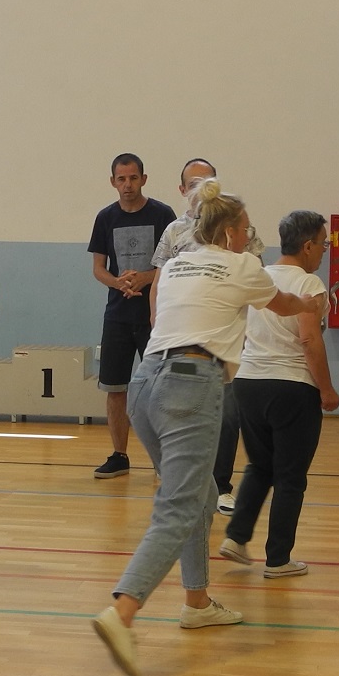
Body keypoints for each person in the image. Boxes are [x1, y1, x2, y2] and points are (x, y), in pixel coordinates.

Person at [89, 182, 327, 676]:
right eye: (246, 228)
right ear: (233, 232)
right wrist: (313, 306)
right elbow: (284, 304)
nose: (249, 236)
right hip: (191, 384)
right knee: (179, 507)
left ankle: (196, 602)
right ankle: (122, 612)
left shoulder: (177, 264)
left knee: (199, 497)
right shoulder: (242, 265)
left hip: (144, 384)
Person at [218, 210, 339, 578]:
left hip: (248, 384)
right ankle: (278, 559)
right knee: (290, 476)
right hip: (291, 388)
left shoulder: (260, 277)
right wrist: (327, 389)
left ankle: (236, 537)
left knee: (260, 466)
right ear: (307, 246)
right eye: (323, 244)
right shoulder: (308, 283)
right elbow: (309, 339)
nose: (324, 251)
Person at [150, 158, 244, 514]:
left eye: (206, 181)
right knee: (182, 413)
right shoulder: (174, 232)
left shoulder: (235, 225)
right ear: (182, 190)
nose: (200, 189)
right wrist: (157, 324)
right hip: (179, 343)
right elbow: (158, 283)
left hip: (221, 342)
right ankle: (184, 482)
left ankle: (221, 486)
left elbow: (253, 276)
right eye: (193, 184)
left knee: (227, 415)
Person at [87, 153, 175, 480]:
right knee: (115, 386)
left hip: (156, 316)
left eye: (133, 178)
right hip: (117, 316)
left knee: (160, 388)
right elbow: (98, 268)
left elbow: (174, 264)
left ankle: (163, 459)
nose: (127, 185)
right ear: (113, 182)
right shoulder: (105, 218)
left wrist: (146, 278)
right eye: (121, 179)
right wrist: (118, 282)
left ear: (143, 179)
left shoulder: (163, 214)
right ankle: (119, 455)